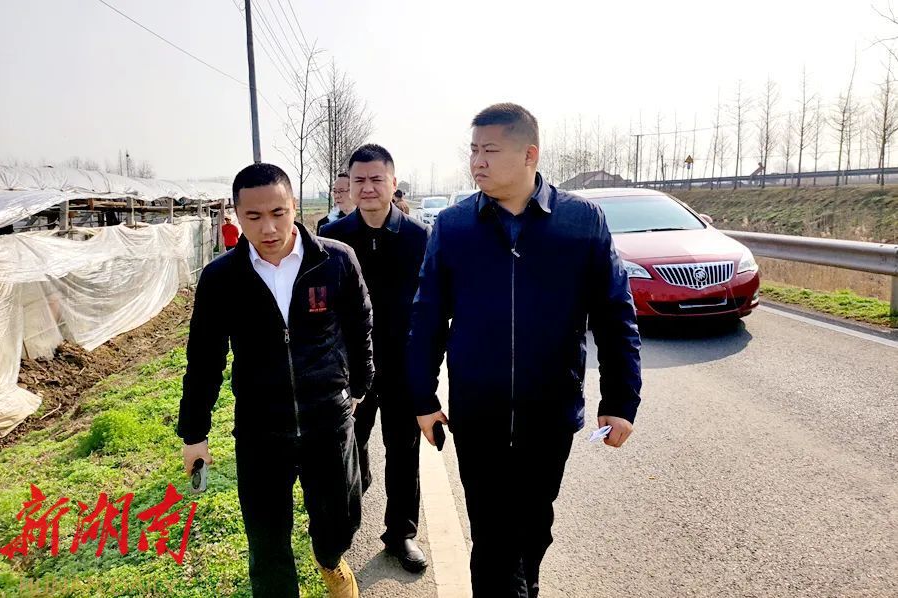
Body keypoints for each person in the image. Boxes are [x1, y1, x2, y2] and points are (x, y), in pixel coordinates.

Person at [407, 103, 642, 597]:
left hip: (549, 410)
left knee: (535, 526)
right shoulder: (454, 227)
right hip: (479, 412)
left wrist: (621, 400)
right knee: (491, 533)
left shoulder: (581, 222)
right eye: (474, 150)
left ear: (529, 154)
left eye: (490, 150)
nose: (477, 161)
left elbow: (614, 314)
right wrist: (423, 398)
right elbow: (427, 315)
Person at [177, 163, 373, 598]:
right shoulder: (221, 279)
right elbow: (204, 358)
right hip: (261, 430)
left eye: (278, 213)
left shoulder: (336, 261)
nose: (268, 228)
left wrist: (359, 386)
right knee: (266, 542)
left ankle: (329, 559)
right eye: (254, 216)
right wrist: (194, 433)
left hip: (328, 421)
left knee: (339, 521)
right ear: (237, 214)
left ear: (294, 207)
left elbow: (360, 327)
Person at [320, 144, 431, 573]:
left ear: (393, 183)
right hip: (350, 370)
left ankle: (401, 534)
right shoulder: (333, 239)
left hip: (403, 366)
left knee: (403, 450)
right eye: (359, 180)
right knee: (350, 448)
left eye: (376, 179)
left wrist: (426, 367)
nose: (367, 188)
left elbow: (433, 307)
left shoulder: (420, 238)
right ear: (349, 185)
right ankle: (343, 525)